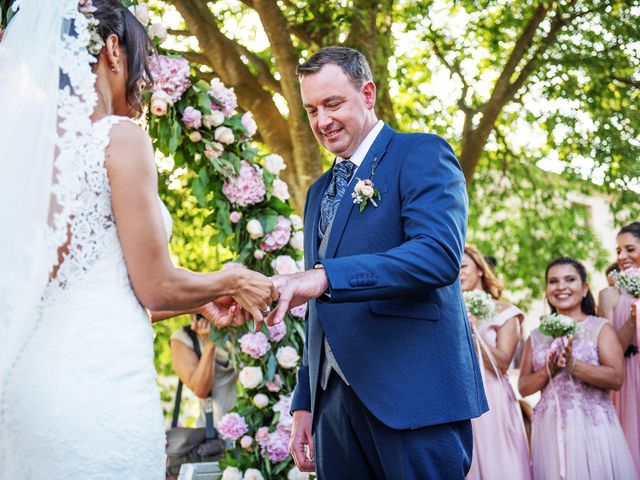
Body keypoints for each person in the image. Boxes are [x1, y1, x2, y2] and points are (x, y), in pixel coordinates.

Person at [0, 1, 277, 478]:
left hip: (32, 387)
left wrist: (205, 296)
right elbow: (156, 285)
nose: (145, 80)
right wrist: (232, 276)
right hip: (98, 387)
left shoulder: (26, 162)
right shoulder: (118, 138)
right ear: (112, 50)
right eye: (142, 61)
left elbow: (101, 287)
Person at [266, 46, 487, 479]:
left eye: (333, 104)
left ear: (367, 94)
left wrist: (324, 276)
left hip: (412, 399)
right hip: (332, 409)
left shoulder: (421, 154)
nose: (322, 121)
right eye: (311, 109)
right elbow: (318, 308)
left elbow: (437, 256)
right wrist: (304, 403)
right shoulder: (317, 193)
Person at [519, 257, 637, 480]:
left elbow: (616, 378)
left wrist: (574, 364)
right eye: (553, 281)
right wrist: (549, 369)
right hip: (550, 429)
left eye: (570, 279)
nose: (561, 286)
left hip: (593, 426)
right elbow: (523, 387)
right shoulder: (536, 336)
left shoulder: (600, 328)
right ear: (547, 290)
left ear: (584, 289)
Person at [461, 246, 531, 480]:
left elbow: (502, 364)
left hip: (494, 399)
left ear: (480, 270)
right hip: (461, 397)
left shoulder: (505, 311)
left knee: (498, 462)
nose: (458, 273)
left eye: (463, 267)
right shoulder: (450, 311)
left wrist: (474, 335)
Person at [599, 221, 640, 473]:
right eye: (618, 251)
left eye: (629, 249)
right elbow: (613, 350)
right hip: (625, 377)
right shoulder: (609, 295)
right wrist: (633, 320)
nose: (622, 257)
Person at [170, 314, 238, 426]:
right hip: (214, 430)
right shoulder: (183, 338)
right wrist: (210, 343)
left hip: (255, 422)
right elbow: (201, 390)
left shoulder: (240, 327)